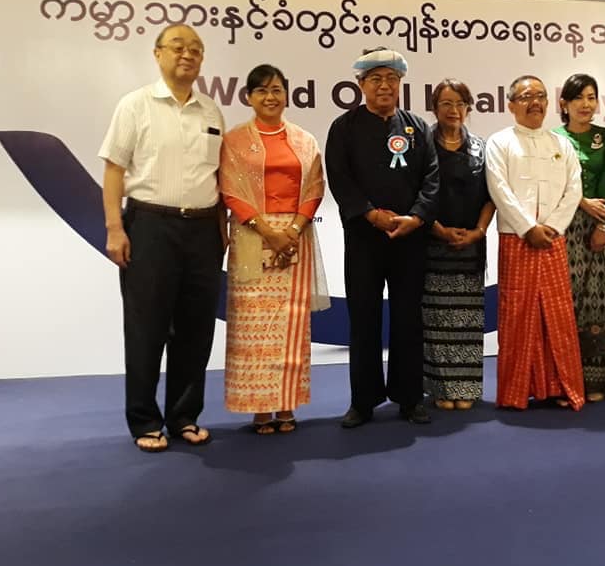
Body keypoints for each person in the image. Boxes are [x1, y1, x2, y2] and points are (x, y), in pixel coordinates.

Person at [99, 24, 225, 452]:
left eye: (196, 49)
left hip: (204, 230)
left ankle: (184, 416)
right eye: (178, 46)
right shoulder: (135, 105)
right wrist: (115, 228)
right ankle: (145, 421)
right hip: (150, 226)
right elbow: (114, 169)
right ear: (158, 54)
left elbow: (217, 176)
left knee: (196, 329)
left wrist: (221, 229)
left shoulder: (211, 111)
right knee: (146, 327)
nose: (187, 54)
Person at [326, 47, 440, 427]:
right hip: (364, 239)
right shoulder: (344, 128)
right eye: (376, 79)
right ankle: (363, 401)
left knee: (408, 319)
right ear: (360, 84)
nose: (385, 86)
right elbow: (339, 178)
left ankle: (410, 397)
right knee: (364, 319)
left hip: (409, 240)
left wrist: (417, 217)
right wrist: (371, 214)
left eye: (392, 78)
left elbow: (431, 178)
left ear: (401, 83)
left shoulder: (417, 127)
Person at [220, 64, 329, 434]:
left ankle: (286, 404)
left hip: (296, 238)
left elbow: (315, 187)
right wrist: (267, 230)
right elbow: (230, 189)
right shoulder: (234, 140)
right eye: (262, 90)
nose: (270, 97)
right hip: (252, 236)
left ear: (287, 95)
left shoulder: (304, 140)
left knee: (291, 324)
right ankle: (259, 407)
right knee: (253, 327)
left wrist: (293, 229)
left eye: (277, 89)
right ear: (249, 97)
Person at [486, 75, 585, 411]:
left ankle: (558, 386)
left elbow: (574, 189)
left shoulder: (561, 144)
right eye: (527, 97)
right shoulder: (500, 142)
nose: (535, 103)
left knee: (555, 315)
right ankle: (517, 391)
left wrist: (553, 227)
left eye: (541, 96)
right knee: (518, 315)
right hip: (517, 239)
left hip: (553, 239)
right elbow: (499, 189)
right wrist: (528, 228)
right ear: (511, 105)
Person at [552, 73, 605, 402]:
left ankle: (597, 381)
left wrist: (601, 226)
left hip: (600, 226)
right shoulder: (553, 138)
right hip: (564, 225)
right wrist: (581, 201)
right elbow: (555, 182)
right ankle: (564, 380)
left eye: (591, 97)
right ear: (564, 103)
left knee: (601, 301)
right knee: (566, 304)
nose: (586, 104)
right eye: (578, 97)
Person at [423, 79, 495, 411]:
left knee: (467, 320)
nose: (454, 110)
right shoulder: (422, 145)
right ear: (435, 108)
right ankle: (440, 388)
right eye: (446, 103)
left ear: (468, 108)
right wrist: (438, 230)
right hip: (432, 245)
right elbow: (415, 193)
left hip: (470, 246)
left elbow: (491, 196)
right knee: (436, 320)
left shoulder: (481, 147)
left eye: (460, 104)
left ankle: (465, 387)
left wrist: (479, 231)